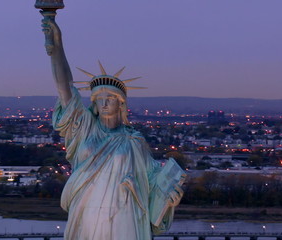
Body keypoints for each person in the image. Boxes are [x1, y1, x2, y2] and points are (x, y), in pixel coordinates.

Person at [41, 17, 184, 240]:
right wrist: (57, 46)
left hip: (124, 214)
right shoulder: (84, 128)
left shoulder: (133, 142)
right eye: (99, 99)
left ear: (121, 103)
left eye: (110, 98)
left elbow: (154, 180)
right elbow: (65, 89)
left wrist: (170, 197)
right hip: (86, 211)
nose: (104, 103)